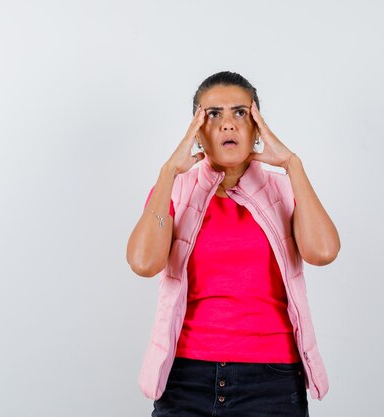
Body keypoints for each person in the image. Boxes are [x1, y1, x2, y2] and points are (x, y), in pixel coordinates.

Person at [126, 71, 340, 417]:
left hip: (272, 380)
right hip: (185, 379)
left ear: (257, 128)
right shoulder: (175, 191)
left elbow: (323, 252)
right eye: (213, 115)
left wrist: (292, 165)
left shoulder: (285, 190)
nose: (228, 124)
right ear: (197, 132)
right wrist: (168, 173)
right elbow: (143, 263)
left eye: (240, 113)